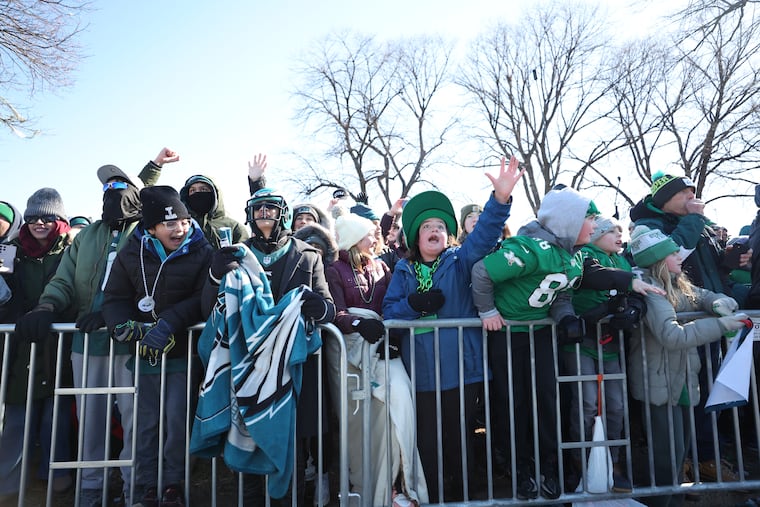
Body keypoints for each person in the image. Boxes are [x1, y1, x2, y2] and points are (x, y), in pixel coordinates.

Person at [471, 187, 662, 501]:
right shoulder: (531, 248)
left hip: (540, 333)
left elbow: (561, 292)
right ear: (568, 222)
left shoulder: (571, 256)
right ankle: (519, 467)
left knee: (547, 400)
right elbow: (482, 272)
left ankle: (548, 465)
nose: (593, 223)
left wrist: (567, 317)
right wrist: (488, 310)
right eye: (588, 218)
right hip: (508, 333)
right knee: (512, 402)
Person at [13, 153, 168, 507]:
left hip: (131, 342)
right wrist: (45, 306)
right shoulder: (87, 237)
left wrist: (121, 312)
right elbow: (64, 279)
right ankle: (90, 490)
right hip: (87, 341)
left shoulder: (146, 233)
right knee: (90, 420)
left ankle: (136, 490)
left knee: (136, 421)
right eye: (106, 188)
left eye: (120, 187)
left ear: (135, 195)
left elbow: (157, 281)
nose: (112, 193)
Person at [383, 155, 524, 503]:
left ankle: (463, 497)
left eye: (440, 227)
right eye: (428, 226)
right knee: (428, 442)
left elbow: (486, 233)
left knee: (460, 439)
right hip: (422, 372)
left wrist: (500, 200)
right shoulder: (402, 271)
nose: (435, 230)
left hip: (461, 371)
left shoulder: (460, 260)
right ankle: (436, 497)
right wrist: (413, 306)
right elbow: (388, 314)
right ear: (416, 236)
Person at [204, 179, 336, 507]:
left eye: (272, 208)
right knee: (247, 442)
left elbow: (328, 307)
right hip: (248, 367)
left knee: (290, 448)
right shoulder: (236, 254)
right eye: (258, 209)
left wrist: (317, 307)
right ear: (248, 214)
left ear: (284, 213)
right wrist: (215, 275)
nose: (264, 214)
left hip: (293, 369)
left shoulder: (308, 255)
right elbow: (209, 306)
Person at [630, 172, 744, 482]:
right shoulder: (649, 227)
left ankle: (705, 457)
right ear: (665, 198)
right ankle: (676, 469)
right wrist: (693, 221)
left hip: (708, 323)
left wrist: (730, 260)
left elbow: (698, 272)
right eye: (684, 193)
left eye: (693, 192)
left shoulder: (699, 225)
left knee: (707, 392)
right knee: (677, 406)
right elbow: (674, 254)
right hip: (678, 333)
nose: (692, 198)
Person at [102, 185, 212, 506]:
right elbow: (115, 298)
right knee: (145, 424)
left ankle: (173, 485)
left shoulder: (201, 250)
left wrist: (170, 322)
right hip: (144, 354)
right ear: (150, 228)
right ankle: (147, 486)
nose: (179, 229)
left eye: (184, 221)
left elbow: (202, 299)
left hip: (181, 354)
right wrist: (122, 326)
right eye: (169, 223)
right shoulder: (131, 251)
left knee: (178, 423)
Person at [325, 206, 427, 507]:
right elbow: (337, 311)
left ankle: (402, 487)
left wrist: (390, 334)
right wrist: (357, 324)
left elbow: (391, 305)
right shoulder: (334, 271)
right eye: (369, 235)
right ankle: (367, 493)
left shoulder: (383, 267)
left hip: (383, 347)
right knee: (361, 426)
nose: (375, 238)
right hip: (349, 354)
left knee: (400, 411)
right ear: (355, 239)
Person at [0, 188, 74, 502]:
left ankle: (56, 477)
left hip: (59, 341)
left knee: (54, 414)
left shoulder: (72, 248)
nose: (39, 223)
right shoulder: (10, 250)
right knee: (17, 413)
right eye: (33, 217)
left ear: (59, 218)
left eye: (47, 216)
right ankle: (8, 482)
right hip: (20, 345)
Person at [561, 216, 640, 493]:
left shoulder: (623, 261)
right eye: (611, 231)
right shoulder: (582, 254)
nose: (619, 235)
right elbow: (588, 280)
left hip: (611, 343)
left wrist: (632, 309)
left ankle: (613, 463)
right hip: (581, 341)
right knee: (586, 404)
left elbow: (635, 293)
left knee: (616, 405)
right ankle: (580, 464)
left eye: (620, 230)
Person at [179, 174, 249, 248]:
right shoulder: (182, 227)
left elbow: (246, 255)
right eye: (192, 190)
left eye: (203, 189)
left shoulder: (233, 227)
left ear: (215, 194)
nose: (197, 193)